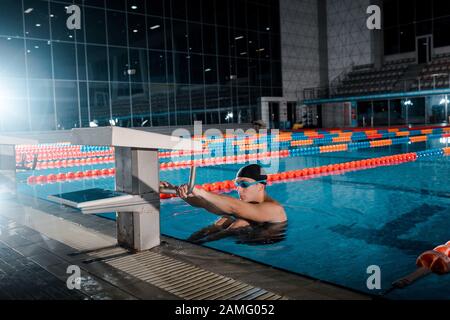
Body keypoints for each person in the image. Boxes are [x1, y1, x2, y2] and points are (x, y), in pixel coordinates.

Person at [161, 164, 287, 244]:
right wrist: (177, 191)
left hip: (262, 241)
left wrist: (201, 192)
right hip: (244, 234)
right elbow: (204, 204)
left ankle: (196, 246)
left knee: (240, 222)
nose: (239, 189)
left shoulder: (275, 209)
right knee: (223, 220)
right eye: (237, 185)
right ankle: (187, 243)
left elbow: (234, 207)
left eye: (244, 184)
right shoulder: (246, 203)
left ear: (260, 186)